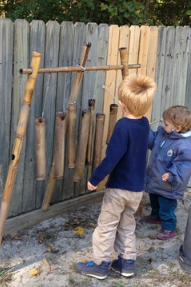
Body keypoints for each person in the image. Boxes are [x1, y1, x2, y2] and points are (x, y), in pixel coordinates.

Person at [75, 75, 156, 280]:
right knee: (127, 224)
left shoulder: (122, 126)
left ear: (122, 105)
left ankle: (101, 264)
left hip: (119, 188)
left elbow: (112, 157)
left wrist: (95, 178)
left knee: (107, 226)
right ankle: (127, 262)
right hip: (137, 188)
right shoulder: (145, 123)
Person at [143, 105, 191, 240]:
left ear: (177, 129)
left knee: (166, 207)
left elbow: (184, 165)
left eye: (166, 124)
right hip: (157, 178)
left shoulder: (184, 146)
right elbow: (153, 142)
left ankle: (169, 228)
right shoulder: (163, 134)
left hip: (169, 184)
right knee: (154, 199)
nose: (163, 125)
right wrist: (145, 129)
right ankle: (156, 216)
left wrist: (172, 174)